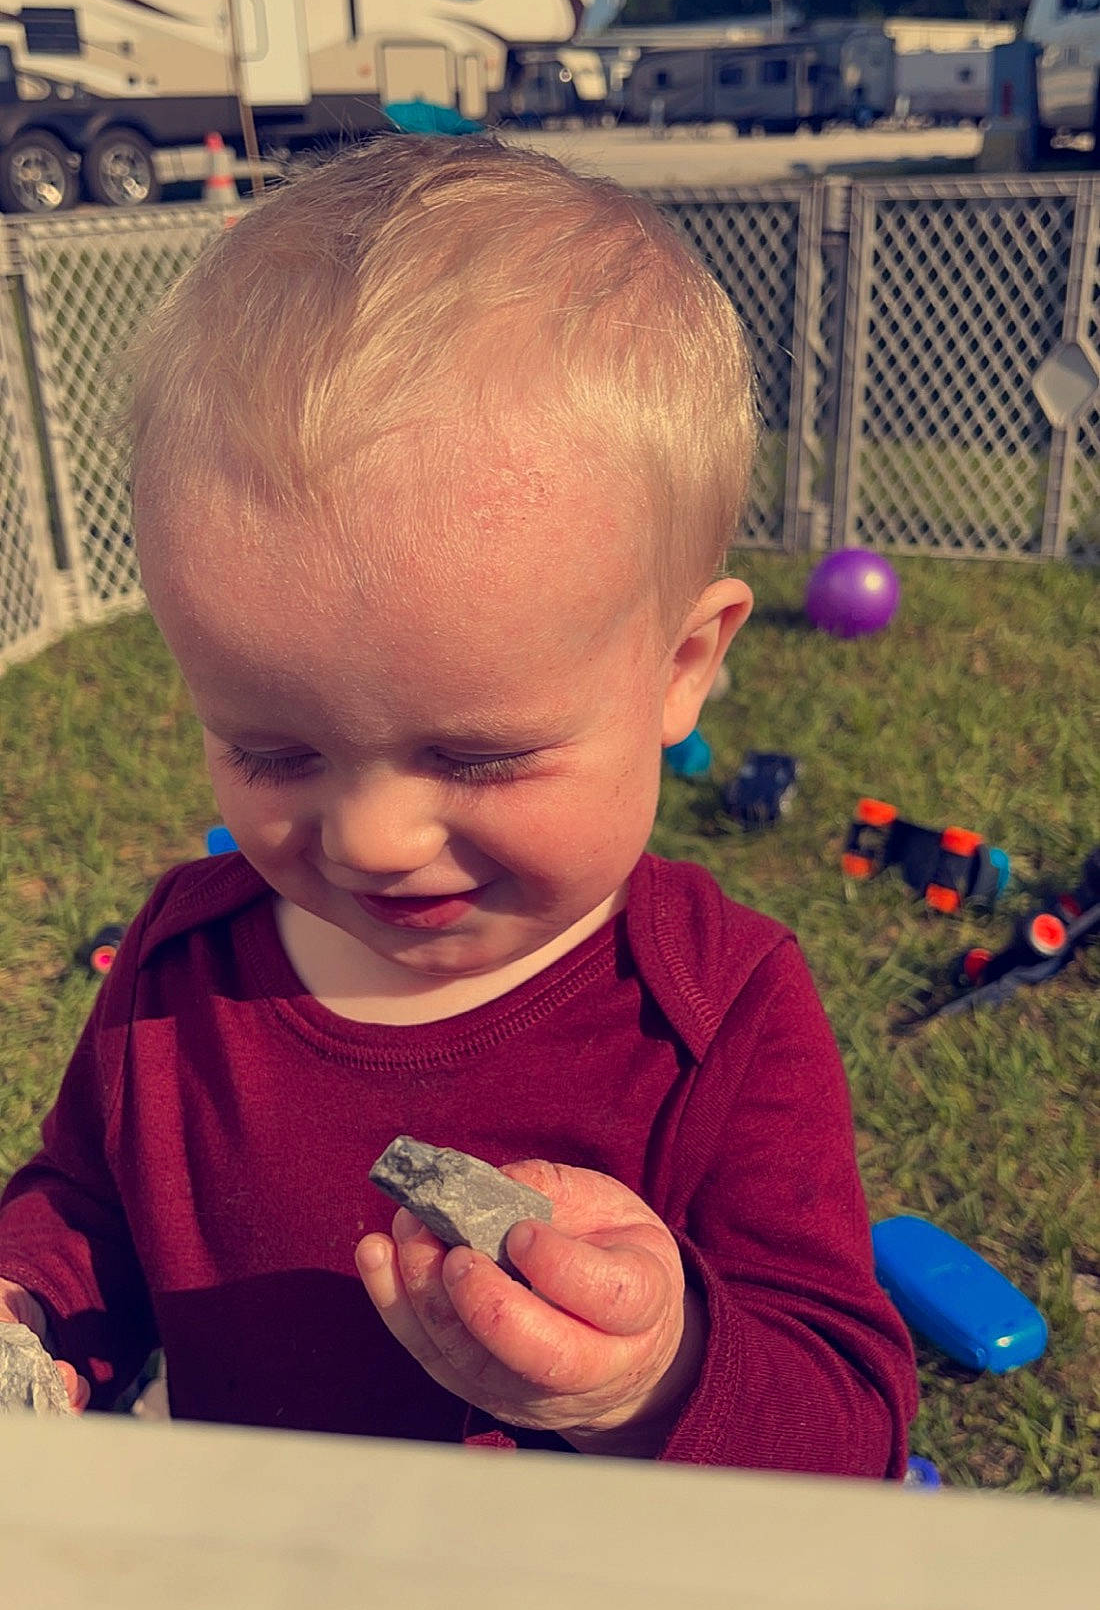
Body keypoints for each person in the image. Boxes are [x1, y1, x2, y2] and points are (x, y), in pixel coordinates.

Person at [0, 136, 917, 1471]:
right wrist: (29, 1308)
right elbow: (88, 1208)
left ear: (681, 669)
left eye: (480, 759)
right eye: (273, 752)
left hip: (565, 1607)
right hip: (259, 1585)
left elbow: (849, 1425)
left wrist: (653, 1378)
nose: (371, 840)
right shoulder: (179, 970)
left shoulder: (716, 1013)